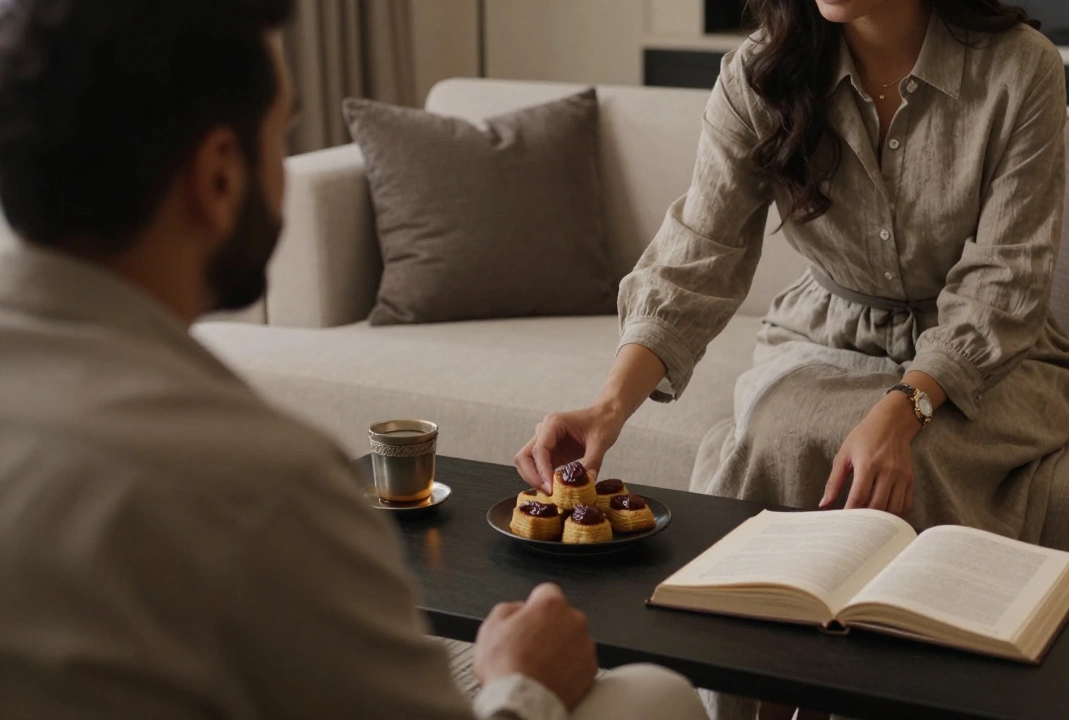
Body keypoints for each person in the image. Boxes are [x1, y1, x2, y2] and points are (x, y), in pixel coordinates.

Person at [0, 2, 708, 719]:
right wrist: (522, 683)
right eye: (282, 135)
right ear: (218, 178)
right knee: (656, 695)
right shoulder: (262, 486)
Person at [517, 0, 1069, 717]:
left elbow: (1008, 276)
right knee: (776, 436)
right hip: (826, 334)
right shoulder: (759, 73)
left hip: (986, 350)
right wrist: (608, 405)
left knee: (922, 460)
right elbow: (700, 253)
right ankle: (743, 699)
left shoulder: (1021, 67)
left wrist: (905, 408)